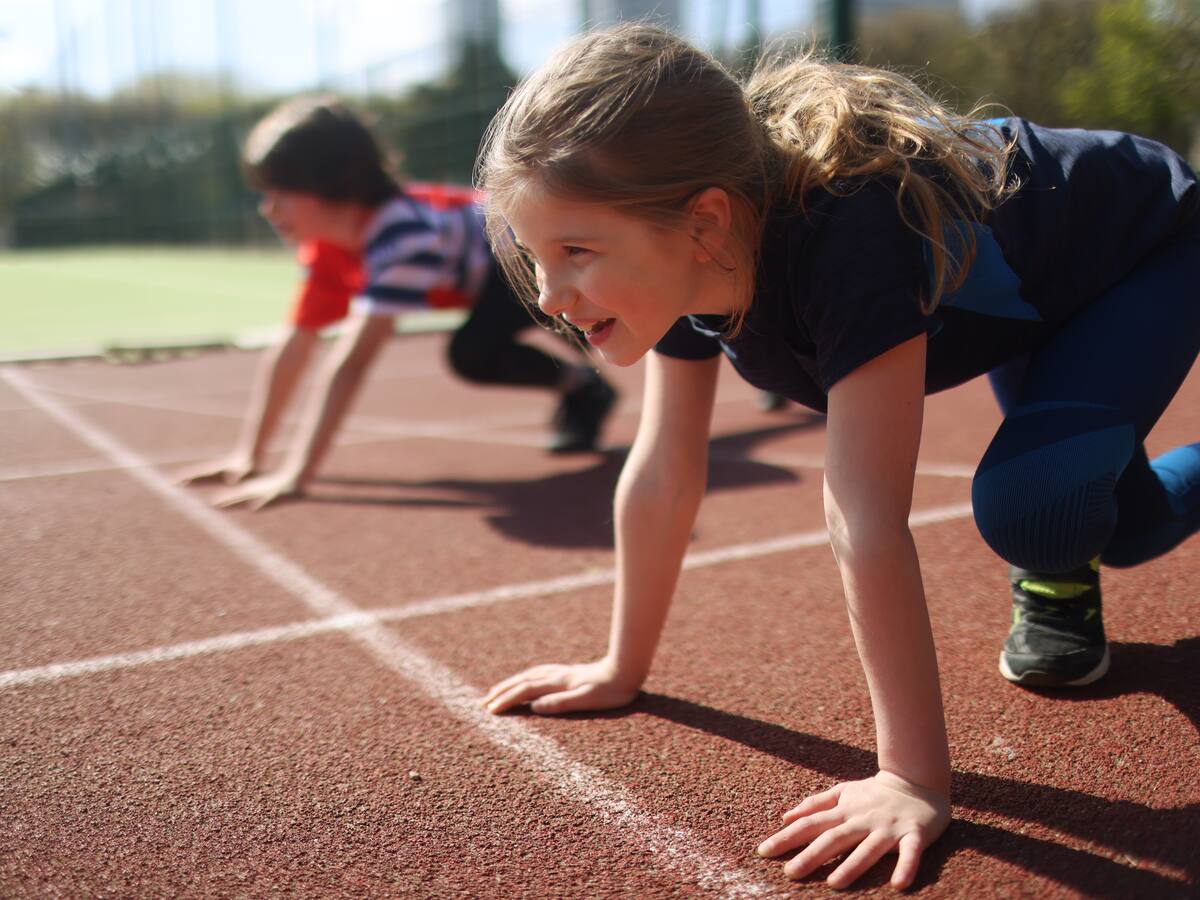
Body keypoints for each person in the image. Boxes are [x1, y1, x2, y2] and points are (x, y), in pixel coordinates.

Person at [476, 25, 1200, 890]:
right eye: (534, 256)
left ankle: (1055, 561)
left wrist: (913, 778)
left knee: (1036, 509)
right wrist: (620, 667)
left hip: (1145, 247)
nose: (551, 299)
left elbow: (862, 513)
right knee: (1117, 528)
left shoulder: (849, 230)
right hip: (1033, 286)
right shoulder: (694, 255)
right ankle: (1073, 552)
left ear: (703, 219)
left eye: (576, 253)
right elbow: (666, 471)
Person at [180, 97, 617, 508]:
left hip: (518, 253)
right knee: (480, 352)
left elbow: (350, 365)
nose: (267, 209)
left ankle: (599, 384)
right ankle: (584, 387)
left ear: (332, 184)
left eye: (280, 193)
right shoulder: (327, 248)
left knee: (494, 347)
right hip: (486, 274)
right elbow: (295, 346)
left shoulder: (399, 235)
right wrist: (250, 457)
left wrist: (297, 474)